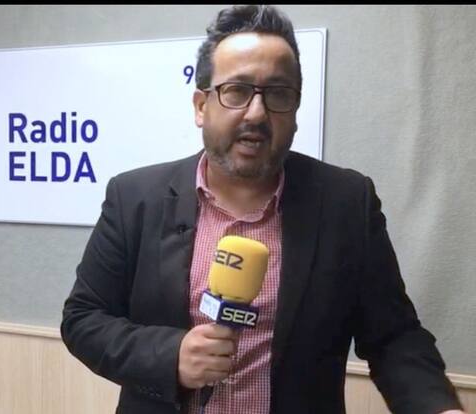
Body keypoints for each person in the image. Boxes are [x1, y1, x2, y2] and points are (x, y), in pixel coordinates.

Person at [61, 5, 464, 414]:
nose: (257, 113)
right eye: (236, 91)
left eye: (277, 94)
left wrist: (438, 408)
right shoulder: (135, 197)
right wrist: (170, 355)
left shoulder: (346, 203)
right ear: (201, 106)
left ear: (295, 110)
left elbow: (394, 337)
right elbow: (83, 318)